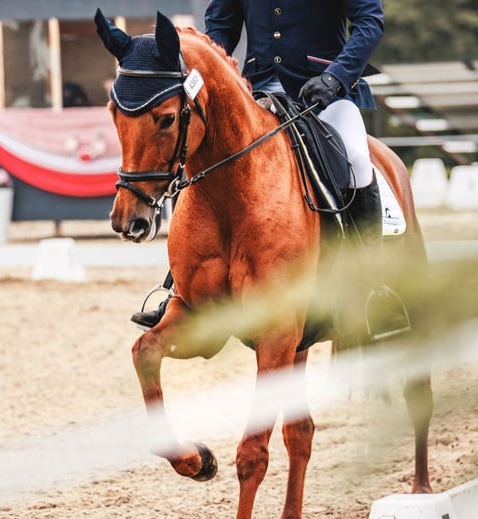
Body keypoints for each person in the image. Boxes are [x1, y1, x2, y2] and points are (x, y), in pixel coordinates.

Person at [132, 0, 406, 339]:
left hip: (324, 90)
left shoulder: (332, 82)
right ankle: (179, 288)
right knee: (206, 159)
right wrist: (206, 70)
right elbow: (221, 24)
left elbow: (369, 21)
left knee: (358, 161)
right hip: (256, 88)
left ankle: (374, 288)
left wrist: (336, 77)